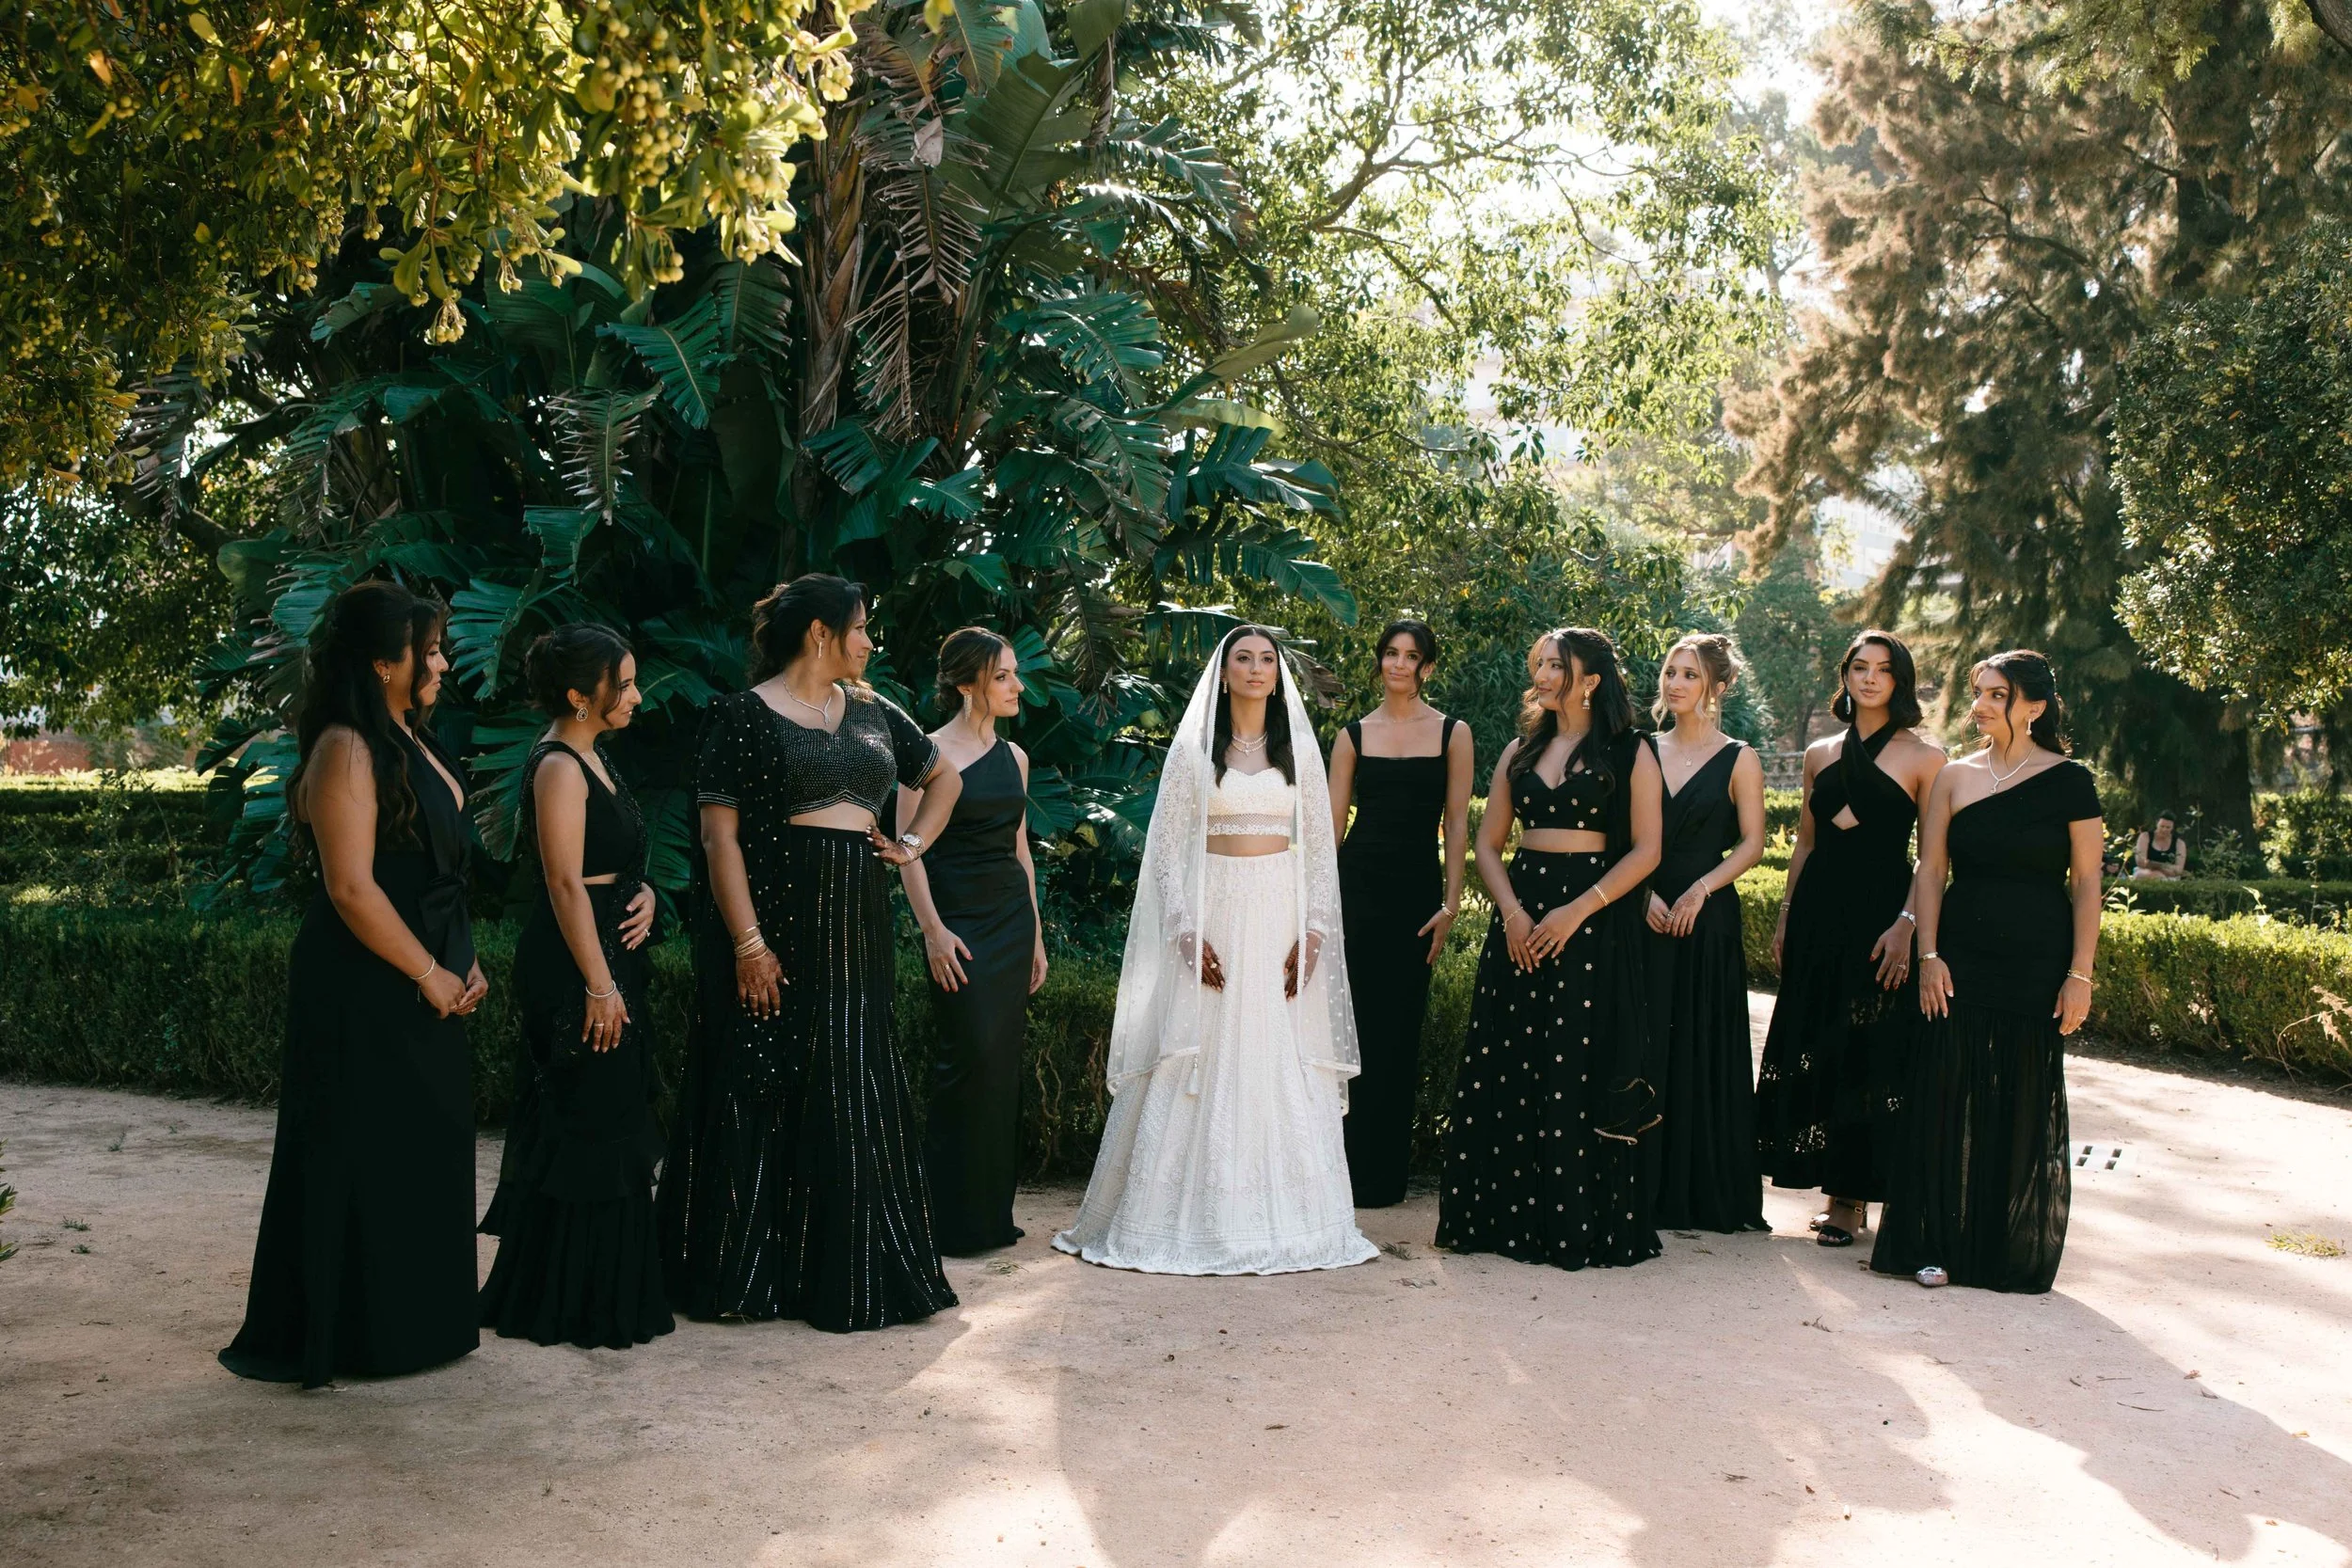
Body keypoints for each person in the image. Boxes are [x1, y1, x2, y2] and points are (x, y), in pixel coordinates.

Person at [660, 575, 964, 1331]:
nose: (870, 642)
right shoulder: (742, 716)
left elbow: (944, 776)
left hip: (858, 921)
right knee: (766, 1079)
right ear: (821, 633)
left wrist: (911, 843)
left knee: (855, 1080)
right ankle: (755, 1276)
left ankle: (855, 1269)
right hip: (780, 920)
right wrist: (748, 943)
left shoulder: (872, 710)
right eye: (862, 628)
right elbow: (719, 838)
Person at [220, 579, 486, 1386]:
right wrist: (431, 970)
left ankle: (415, 1327)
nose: (441, 662)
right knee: (358, 1151)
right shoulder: (345, 746)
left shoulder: (411, 736)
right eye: (428, 650)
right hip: (365, 984)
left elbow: (434, 873)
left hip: (425, 975)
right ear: (382, 662)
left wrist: (461, 958)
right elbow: (351, 887)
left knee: (418, 1146)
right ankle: (351, 1336)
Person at [1054, 626, 1376, 1275]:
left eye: (1267, 660)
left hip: (1279, 916)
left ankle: (1295, 1221)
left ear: (1278, 675)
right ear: (1224, 674)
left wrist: (1312, 931)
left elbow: (1317, 851)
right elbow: (1168, 853)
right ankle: (1169, 1217)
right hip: (1214, 914)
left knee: (1278, 1057)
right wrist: (1183, 929)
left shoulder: (1301, 755)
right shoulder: (1195, 751)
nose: (1257, 669)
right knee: (1195, 1050)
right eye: (1244, 659)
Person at [1435, 627, 1665, 1273]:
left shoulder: (1630, 749)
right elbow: (1487, 844)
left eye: (1555, 664)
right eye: (1538, 661)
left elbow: (1648, 850)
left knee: (1575, 1065)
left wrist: (1577, 910)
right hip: (1521, 914)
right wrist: (1511, 912)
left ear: (1590, 678)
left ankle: (1571, 1221)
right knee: (1510, 1057)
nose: (1540, 671)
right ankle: (1500, 1216)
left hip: (1591, 919)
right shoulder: (1519, 747)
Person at [1872, 651, 2102, 1293]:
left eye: (1996, 695)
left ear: (2033, 705)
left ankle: (2000, 1249)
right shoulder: (1954, 776)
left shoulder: (2072, 782)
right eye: (1979, 693)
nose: (1980, 705)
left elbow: (2087, 881)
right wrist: (1928, 954)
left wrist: (2080, 973)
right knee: (1947, 1089)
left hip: (2038, 958)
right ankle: (1937, 1243)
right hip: (1959, 955)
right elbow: (1930, 871)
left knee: (2022, 1092)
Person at [477, 625, 672, 1351]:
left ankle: (596, 1291)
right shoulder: (560, 764)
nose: (635, 695)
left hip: (608, 955)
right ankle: (568, 1302)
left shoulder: (597, 757)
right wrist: (596, 983)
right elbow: (562, 881)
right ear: (577, 695)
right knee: (585, 1115)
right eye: (622, 684)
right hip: (575, 965)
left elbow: (609, 861)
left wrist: (646, 892)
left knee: (609, 1111)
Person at [1752, 630, 1945, 1248]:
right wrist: (1785, 915)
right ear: (1845, 675)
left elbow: (1932, 859)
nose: (1868, 678)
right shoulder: (1819, 752)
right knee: (1817, 1038)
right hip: (1818, 914)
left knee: (1872, 1048)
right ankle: (1821, 1181)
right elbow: (1806, 842)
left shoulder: (1925, 757)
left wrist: (1908, 926)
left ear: (1900, 681)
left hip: (1883, 919)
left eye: (1882, 670)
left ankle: (1850, 1198)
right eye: (1858, 667)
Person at [897, 626, 1048, 1257]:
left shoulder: (1015, 758)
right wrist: (932, 931)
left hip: (1011, 922)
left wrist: (1036, 933)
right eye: (1004, 676)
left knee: (1000, 1066)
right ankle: (945, 1217)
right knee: (966, 1058)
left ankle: (990, 1217)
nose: (1017, 685)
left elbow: (1021, 850)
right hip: (956, 921)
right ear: (967, 682)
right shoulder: (924, 755)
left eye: (1015, 673)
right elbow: (908, 851)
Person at [1324, 618, 1475, 1208]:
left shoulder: (1452, 733)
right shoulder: (1352, 735)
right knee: (1350, 1027)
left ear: (1427, 667)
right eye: (1390, 653)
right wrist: (1318, 906)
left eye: (1411, 656)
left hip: (1417, 894)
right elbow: (1331, 832)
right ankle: (1339, 1171)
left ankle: (1384, 1176)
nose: (1398, 664)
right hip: (1357, 890)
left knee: (1399, 1030)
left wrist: (1451, 902)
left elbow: (1457, 822)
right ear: (1379, 661)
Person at [1641, 633, 1770, 1234]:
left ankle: (1699, 1189)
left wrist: (1701, 890)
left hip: (1706, 912)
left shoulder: (1739, 757)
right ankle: (1640, 1182)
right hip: (1641, 909)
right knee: (1643, 1038)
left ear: (1716, 687)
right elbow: (1621, 838)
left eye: (1689, 675)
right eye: (1670, 671)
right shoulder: (1641, 749)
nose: (1675, 684)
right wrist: (1640, 894)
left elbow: (1752, 843)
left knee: (1700, 1041)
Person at [2133, 811, 2187, 879]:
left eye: (2168, 827)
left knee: (2159, 876)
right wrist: (2165, 867)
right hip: (2144, 873)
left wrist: (2152, 864)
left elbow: (2179, 870)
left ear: (2172, 827)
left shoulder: (2179, 844)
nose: (2164, 830)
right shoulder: (2145, 837)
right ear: (2157, 824)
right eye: (2162, 826)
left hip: (2169, 877)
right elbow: (2140, 862)